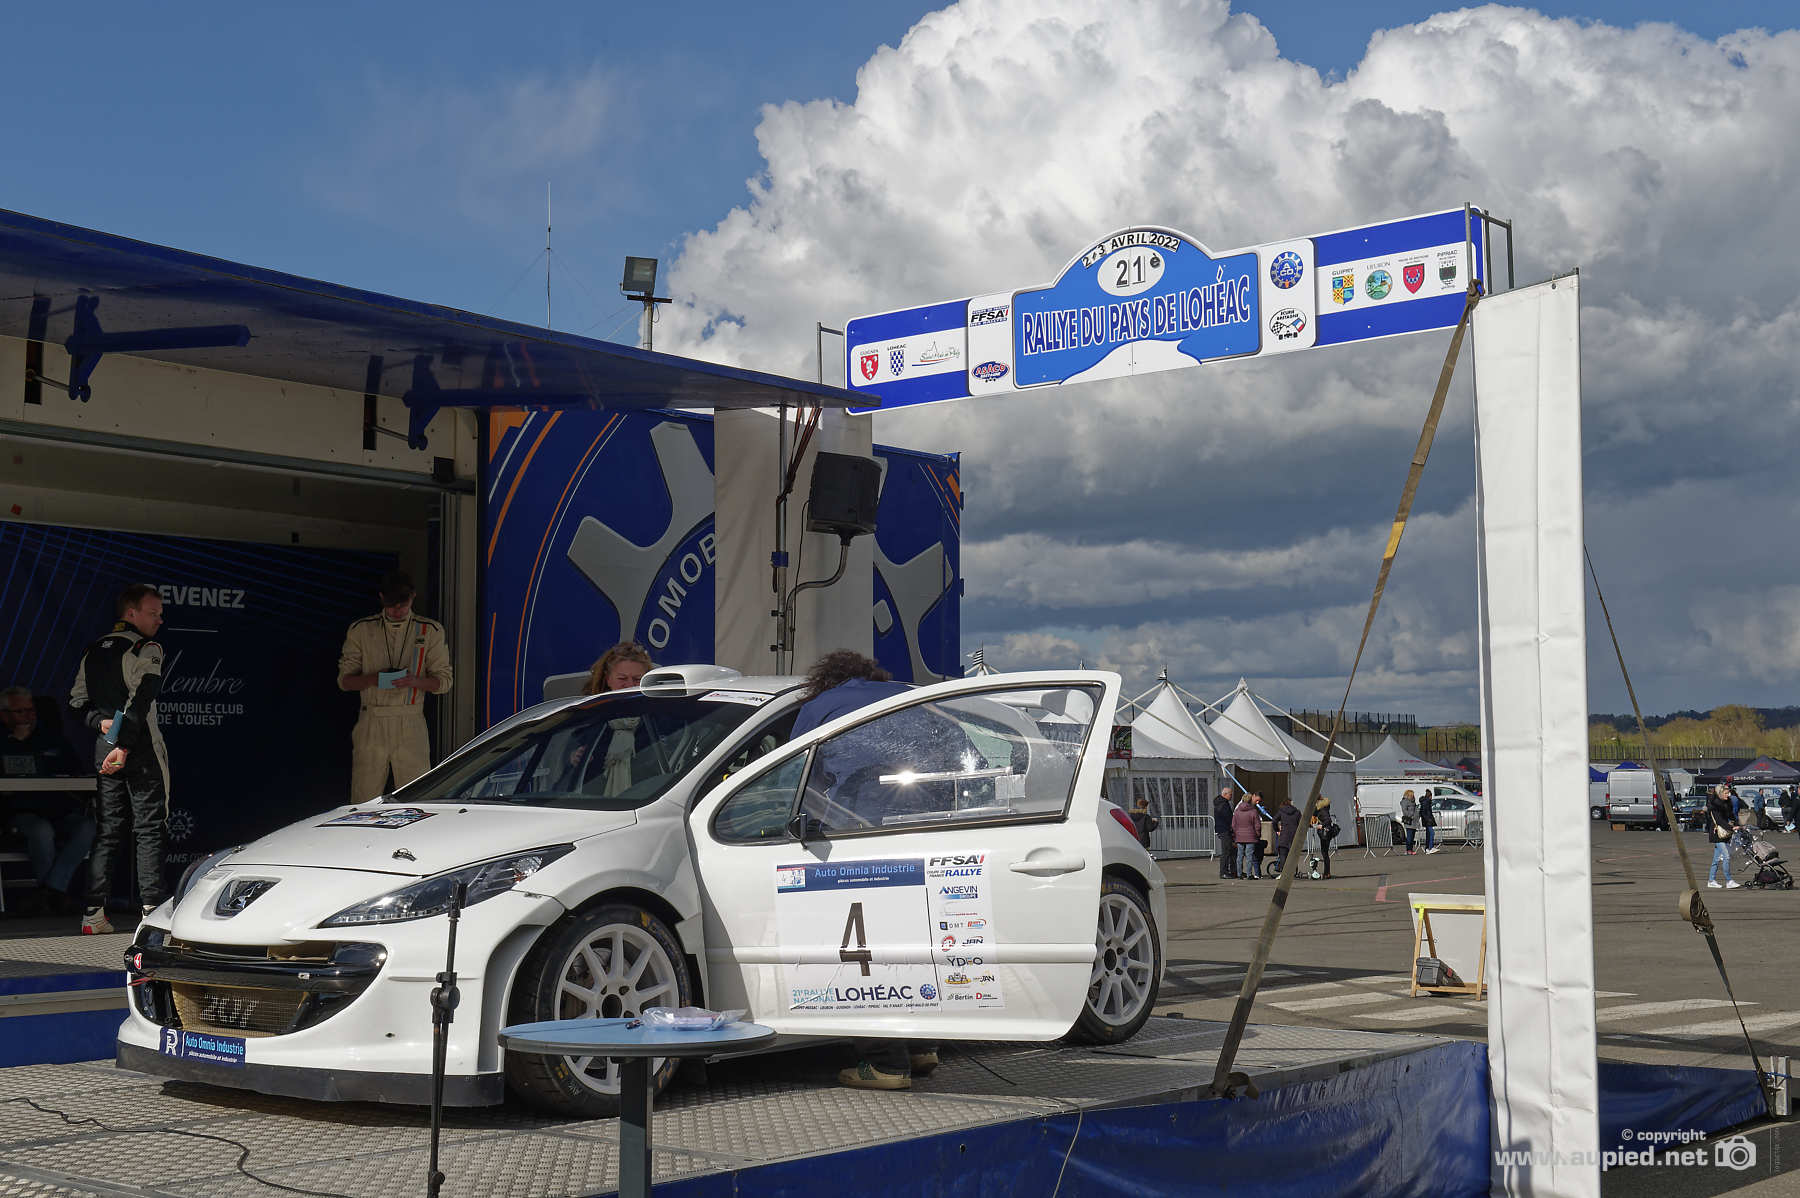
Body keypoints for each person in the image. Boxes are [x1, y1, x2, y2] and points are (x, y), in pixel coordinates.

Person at [786, 651, 937, 1092]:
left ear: (826, 680)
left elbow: (796, 776)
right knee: (910, 943)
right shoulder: (917, 699)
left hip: (858, 835)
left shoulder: (821, 707)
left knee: (860, 952)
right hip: (928, 831)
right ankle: (921, 1046)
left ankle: (885, 1062)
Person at [68, 585, 170, 934]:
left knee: (108, 832)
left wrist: (102, 725)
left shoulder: (93, 650)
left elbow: (76, 703)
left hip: (104, 749)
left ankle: (92, 915)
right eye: (153, 612)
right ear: (131, 613)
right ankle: (152, 916)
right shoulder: (147, 647)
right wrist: (124, 746)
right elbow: (141, 699)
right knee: (149, 829)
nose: (160, 618)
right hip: (136, 749)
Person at [337, 571, 453, 801]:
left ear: (413, 597)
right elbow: (344, 681)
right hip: (372, 719)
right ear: (381, 599)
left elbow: (445, 682)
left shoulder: (430, 630)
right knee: (364, 797)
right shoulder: (361, 629)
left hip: (411, 720)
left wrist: (415, 681)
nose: (397, 611)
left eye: (403, 604)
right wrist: (374, 678)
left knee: (417, 797)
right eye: (391, 606)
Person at [2, 685, 93, 913]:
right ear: (4, 715)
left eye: (31, 710)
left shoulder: (51, 737)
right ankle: (55, 895)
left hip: (57, 811)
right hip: (17, 815)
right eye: (20, 711)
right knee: (41, 831)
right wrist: (18, 743)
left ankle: (50, 891)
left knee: (88, 827)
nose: (28, 716)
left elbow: (77, 773)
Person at [582, 642, 652, 696]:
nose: (630, 685)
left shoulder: (657, 707)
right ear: (608, 679)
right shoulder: (589, 711)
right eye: (622, 678)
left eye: (637, 679)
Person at [1706, 784, 1741, 890]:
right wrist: (1731, 828)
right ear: (1720, 793)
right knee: (1726, 856)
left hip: (1723, 833)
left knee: (1716, 859)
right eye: (1726, 793)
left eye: (1728, 792)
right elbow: (1719, 820)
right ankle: (1729, 880)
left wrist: (1735, 823)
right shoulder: (1714, 805)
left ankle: (1711, 880)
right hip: (1718, 833)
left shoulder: (1727, 802)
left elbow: (1730, 815)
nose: (1728, 795)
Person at [1230, 793, 1261, 881]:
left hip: (1239, 836)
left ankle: (1239, 873)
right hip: (1251, 836)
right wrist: (1258, 834)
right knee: (1249, 856)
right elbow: (1257, 825)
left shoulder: (1237, 811)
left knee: (1239, 856)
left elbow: (1233, 825)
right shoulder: (1253, 811)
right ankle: (1249, 874)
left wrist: (1235, 835)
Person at [1310, 796, 1339, 879]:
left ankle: (1327, 873)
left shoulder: (1322, 811)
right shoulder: (1322, 809)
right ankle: (1327, 872)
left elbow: (1328, 820)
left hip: (1325, 833)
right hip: (1326, 833)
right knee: (1324, 853)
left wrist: (1321, 825)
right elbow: (1314, 813)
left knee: (1325, 853)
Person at [1272, 795, 1302, 876]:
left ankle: (1284, 873)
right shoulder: (1297, 812)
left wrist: (1277, 830)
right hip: (1294, 836)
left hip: (1284, 836)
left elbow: (1274, 821)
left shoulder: (1281, 811)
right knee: (1293, 855)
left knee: (1283, 855)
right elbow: (1301, 824)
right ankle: (1293, 872)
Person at [1213, 786, 1237, 878]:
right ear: (1225, 794)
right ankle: (1223, 872)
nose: (1231, 796)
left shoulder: (1222, 803)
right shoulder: (1223, 804)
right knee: (1226, 852)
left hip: (1224, 829)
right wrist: (1232, 825)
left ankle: (1230, 870)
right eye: (1230, 794)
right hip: (1224, 830)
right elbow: (1227, 817)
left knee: (1230, 851)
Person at [1400, 789, 1419, 855]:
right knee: (1409, 837)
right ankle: (1408, 850)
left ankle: (1410, 850)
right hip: (1409, 821)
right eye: (1412, 794)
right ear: (1408, 795)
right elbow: (1404, 811)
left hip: (1414, 821)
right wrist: (1411, 815)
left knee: (1412, 836)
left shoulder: (1413, 801)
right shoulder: (1405, 801)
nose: (1413, 796)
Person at [1419, 789, 1438, 854]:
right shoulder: (1426, 802)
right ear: (1430, 796)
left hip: (1427, 820)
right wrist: (1428, 819)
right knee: (1431, 833)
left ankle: (1427, 848)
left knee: (1428, 834)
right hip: (1428, 820)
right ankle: (1430, 847)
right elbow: (1423, 812)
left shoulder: (1425, 802)